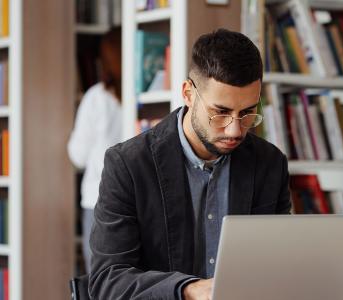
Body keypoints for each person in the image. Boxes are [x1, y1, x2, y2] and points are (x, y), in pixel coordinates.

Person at [89, 28, 291, 299]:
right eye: (220, 112)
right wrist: (188, 290)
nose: (234, 130)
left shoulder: (270, 164)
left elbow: (278, 263)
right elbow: (107, 282)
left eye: (247, 113)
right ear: (188, 93)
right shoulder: (128, 165)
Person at [67, 29, 122, 274]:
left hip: (97, 201)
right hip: (135, 201)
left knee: (100, 281)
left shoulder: (96, 98)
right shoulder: (143, 94)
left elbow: (77, 155)